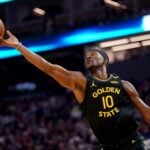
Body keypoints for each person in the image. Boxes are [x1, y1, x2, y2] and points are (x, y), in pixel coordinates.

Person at [0, 31, 150, 150]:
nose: (89, 56)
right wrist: (19, 46)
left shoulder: (124, 85)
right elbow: (49, 68)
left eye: (93, 54)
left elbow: (147, 113)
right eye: (87, 56)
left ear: (105, 59)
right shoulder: (81, 82)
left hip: (133, 143)